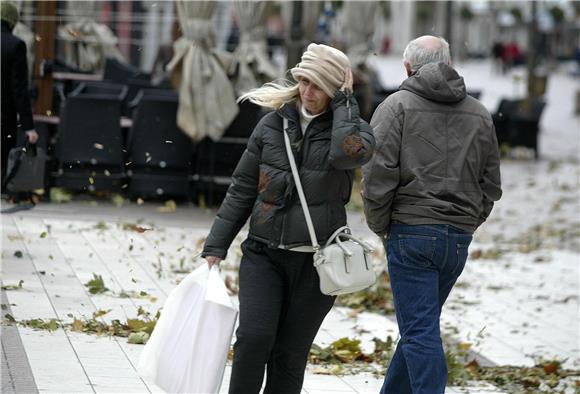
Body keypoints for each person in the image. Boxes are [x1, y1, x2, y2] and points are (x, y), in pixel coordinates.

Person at [201, 43, 375, 394]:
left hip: (317, 265)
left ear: (334, 90)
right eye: (303, 82)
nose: (307, 92)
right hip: (264, 253)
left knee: (289, 355)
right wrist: (216, 244)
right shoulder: (271, 125)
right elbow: (242, 188)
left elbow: (346, 156)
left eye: (318, 85)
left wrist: (344, 103)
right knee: (253, 338)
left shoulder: (355, 131)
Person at [361, 35, 502, 394]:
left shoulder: (396, 107)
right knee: (419, 326)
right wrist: (469, 221)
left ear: (408, 67)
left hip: (411, 233)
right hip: (456, 240)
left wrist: (381, 226)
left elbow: (377, 176)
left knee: (419, 330)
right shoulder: (479, 113)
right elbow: (491, 184)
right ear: (449, 62)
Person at [1, 1, 38, 206]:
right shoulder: (16, 45)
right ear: (12, 21)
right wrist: (29, 127)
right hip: (3, 117)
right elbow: (19, 90)